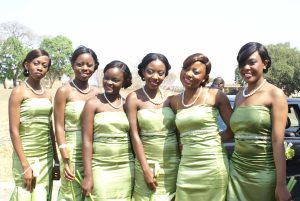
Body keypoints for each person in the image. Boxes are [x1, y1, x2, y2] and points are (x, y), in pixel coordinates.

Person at [226, 42, 292, 201]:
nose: (245, 68)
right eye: (242, 63)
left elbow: (278, 141)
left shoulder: (275, 94)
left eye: (251, 62)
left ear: (265, 63)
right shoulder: (240, 95)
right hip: (236, 172)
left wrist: (281, 185)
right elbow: (233, 132)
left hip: (262, 173)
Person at [170, 53, 233, 200]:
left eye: (196, 72)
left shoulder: (215, 95)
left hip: (212, 165)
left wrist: (211, 139)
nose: (189, 74)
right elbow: (179, 134)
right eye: (186, 68)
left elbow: (234, 129)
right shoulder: (174, 101)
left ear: (205, 78)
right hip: (186, 166)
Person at [125, 53, 180, 200]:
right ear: (143, 71)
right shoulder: (133, 98)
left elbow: (180, 132)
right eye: (150, 71)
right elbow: (134, 135)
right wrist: (145, 169)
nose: (155, 77)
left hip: (173, 164)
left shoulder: (172, 98)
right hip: (147, 162)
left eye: (160, 73)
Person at [81, 60, 134, 200]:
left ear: (124, 82)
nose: (109, 82)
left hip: (126, 167)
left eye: (115, 80)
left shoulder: (127, 105)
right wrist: (88, 175)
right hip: (101, 168)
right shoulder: (92, 104)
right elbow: (86, 141)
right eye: (106, 78)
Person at [54, 46, 100, 201]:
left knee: (91, 193)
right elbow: (59, 126)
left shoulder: (98, 93)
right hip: (72, 152)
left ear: (95, 67)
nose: (84, 68)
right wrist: (65, 157)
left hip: (95, 152)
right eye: (80, 64)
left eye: (89, 65)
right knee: (71, 193)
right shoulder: (64, 91)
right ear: (73, 64)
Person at [9, 49, 54, 200]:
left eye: (44, 65)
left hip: (46, 155)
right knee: (25, 194)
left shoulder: (48, 94)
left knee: (43, 194)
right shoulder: (19, 92)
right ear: (27, 65)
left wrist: (56, 159)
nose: (40, 67)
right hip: (26, 153)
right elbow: (14, 130)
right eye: (36, 63)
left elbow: (50, 128)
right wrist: (25, 164)